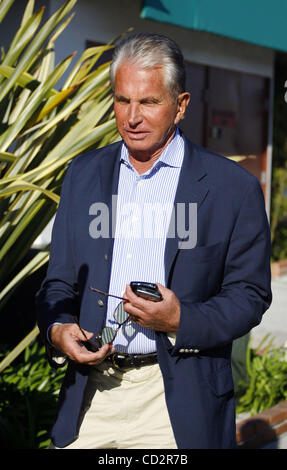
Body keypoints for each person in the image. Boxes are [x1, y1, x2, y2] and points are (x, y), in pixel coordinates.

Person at [36, 32, 272, 449]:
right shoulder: (82, 175)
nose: (132, 117)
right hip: (92, 399)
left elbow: (249, 295)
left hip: (176, 401)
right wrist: (59, 330)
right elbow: (58, 283)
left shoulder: (232, 188)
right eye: (122, 100)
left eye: (148, 102)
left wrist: (181, 320)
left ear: (180, 106)